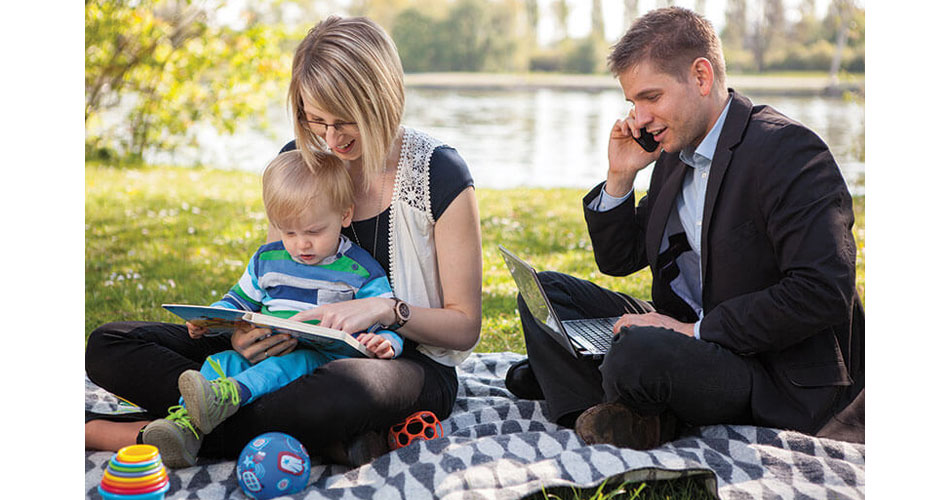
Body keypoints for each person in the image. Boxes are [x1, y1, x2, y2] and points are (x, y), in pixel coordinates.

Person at [85, 15, 483, 466]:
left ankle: (144, 432)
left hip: (397, 362)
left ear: (382, 102)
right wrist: (244, 334)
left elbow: (465, 325)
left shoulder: (439, 174)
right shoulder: (297, 163)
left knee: (335, 393)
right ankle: (313, 438)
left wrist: (386, 309)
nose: (331, 139)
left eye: (345, 122)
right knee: (110, 344)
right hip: (286, 353)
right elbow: (275, 276)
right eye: (317, 121)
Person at [504, 7, 864, 448]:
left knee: (639, 352)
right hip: (687, 336)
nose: (638, 119)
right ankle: (612, 408)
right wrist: (620, 178)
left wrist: (693, 332)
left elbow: (823, 291)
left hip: (766, 367)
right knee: (545, 295)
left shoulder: (788, 152)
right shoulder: (674, 153)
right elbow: (619, 261)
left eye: (650, 97)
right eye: (633, 103)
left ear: (700, 77)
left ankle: (598, 390)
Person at [140, 150, 405, 467]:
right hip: (267, 348)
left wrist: (387, 343)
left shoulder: (361, 270)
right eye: (288, 232)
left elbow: (383, 323)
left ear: (345, 215)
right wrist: (209, 318)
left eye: (313, 232)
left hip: (322, 360)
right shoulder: (267, 260)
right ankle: (185, 429)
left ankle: (230, 397)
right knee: (218, 362)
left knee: (292, 362)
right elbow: (238, 300)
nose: (300, 244)